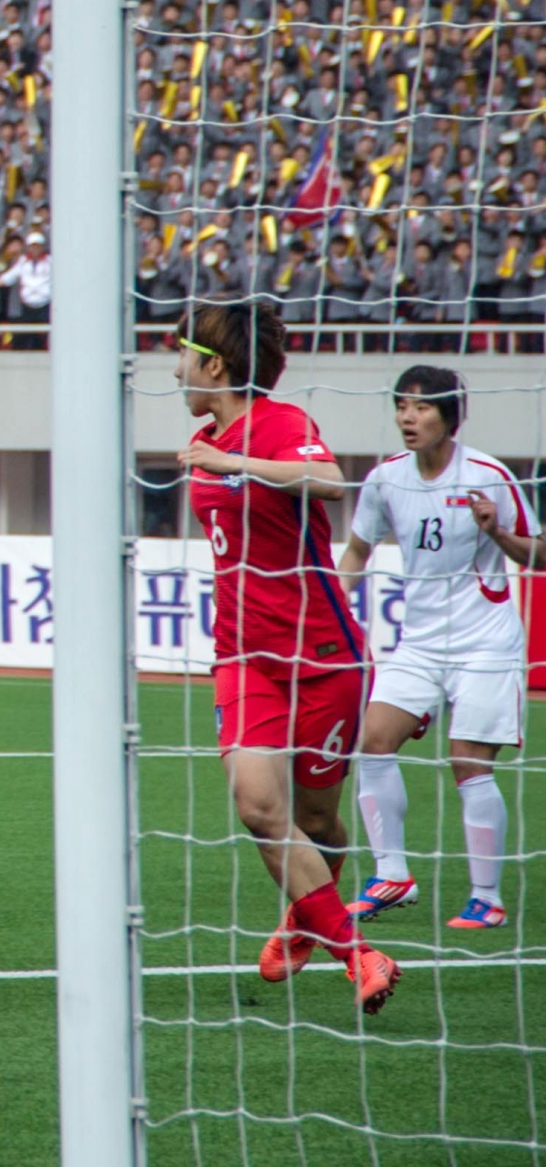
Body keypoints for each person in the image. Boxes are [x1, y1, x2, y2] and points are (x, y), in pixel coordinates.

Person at [171, 299, 398, 1013]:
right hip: (243, 657)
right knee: (259, 804)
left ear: (215, 364)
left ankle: (306, 919)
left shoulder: (279, 424)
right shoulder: (203, 436)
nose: (173, 365)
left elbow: (330, 479)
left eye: (181, 350)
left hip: (324, 656)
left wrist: (232, 459)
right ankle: (358, 952)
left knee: (321, 821)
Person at [337, 364, 534, 930]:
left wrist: (497, 532)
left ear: (450, 417)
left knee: (468, 762)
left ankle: (487, 898)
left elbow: (537, 553)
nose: (407, 416)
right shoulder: (385, 479)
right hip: (419, 642)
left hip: (485, 643)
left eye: (421, 407)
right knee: (373, 741)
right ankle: (392, 874)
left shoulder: (488, 474)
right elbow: (357, 550)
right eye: (401, 404)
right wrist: (324, 601)